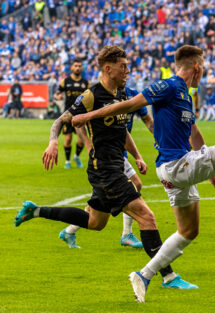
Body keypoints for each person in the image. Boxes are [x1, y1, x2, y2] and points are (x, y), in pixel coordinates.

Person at [71, 45, 215, 303]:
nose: (203, 72)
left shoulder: (186, 95)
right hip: (176, 165)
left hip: (179, 168)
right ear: (196, 67)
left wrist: (210, 172)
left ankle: (144, 275)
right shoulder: (168, 85)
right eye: (204, 67)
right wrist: (88, 116)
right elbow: (130, 104)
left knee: (188, 231)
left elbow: (194, 134)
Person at [14, 45, 196, 295]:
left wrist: (137, 155)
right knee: (147, 217)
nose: (127, 70)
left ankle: (36, 211)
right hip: (104, 169)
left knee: (94, 222)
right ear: (108, 68)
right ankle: (168, 276)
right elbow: (61, 120)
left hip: (114, 165)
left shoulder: (122, 93)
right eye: (123, 66)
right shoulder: (91, 96)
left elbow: (122, 131)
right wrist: (53, 140)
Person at [58, 86, 154, 249]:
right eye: (122, 67)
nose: (125, 72)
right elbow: (78, 120)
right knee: (133, 185)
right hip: (106, 155)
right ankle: (126, 233)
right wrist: (89, 147)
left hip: (118, 152)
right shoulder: (97, 94)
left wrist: (143, 151)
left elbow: (143, 121)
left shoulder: (131, 95)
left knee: (102, 201)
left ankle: (70, 230)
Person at [55, 59, 90, 169]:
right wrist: (58, 97)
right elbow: (57, 93)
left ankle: (76, 156)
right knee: (68, 139)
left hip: (80, 115)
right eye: (75, 66)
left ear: (82, 68)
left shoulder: (85, 83)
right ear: (71, 67)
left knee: (82, 141)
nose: (78, 68)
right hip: (67, 115)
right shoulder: (65, 81)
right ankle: (68, 161)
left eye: (79, 66)